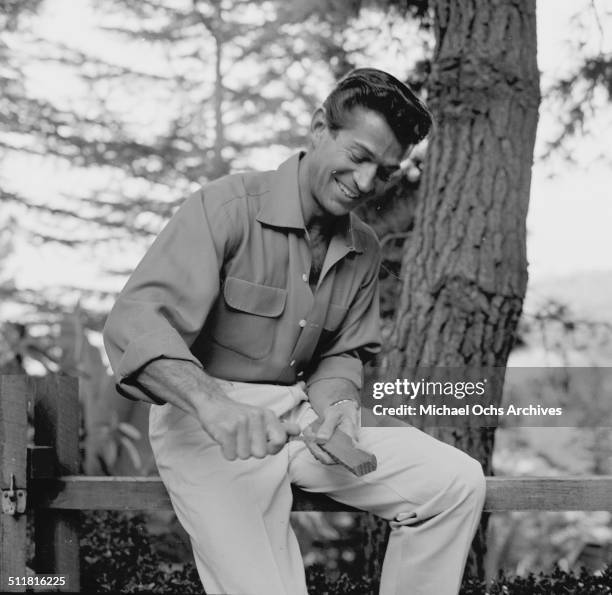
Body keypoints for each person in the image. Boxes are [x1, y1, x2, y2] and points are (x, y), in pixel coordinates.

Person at [103, 68, 486, 595]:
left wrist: (338, 413)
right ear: (318, 129)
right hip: (205, 425)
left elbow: (342, 354)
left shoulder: (365, 247)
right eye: (358, 157)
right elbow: (136, 322)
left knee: (454, 483)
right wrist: (215, 407)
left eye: (387, 171)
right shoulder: (226, 207)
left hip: (304, 415)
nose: (368, 183)